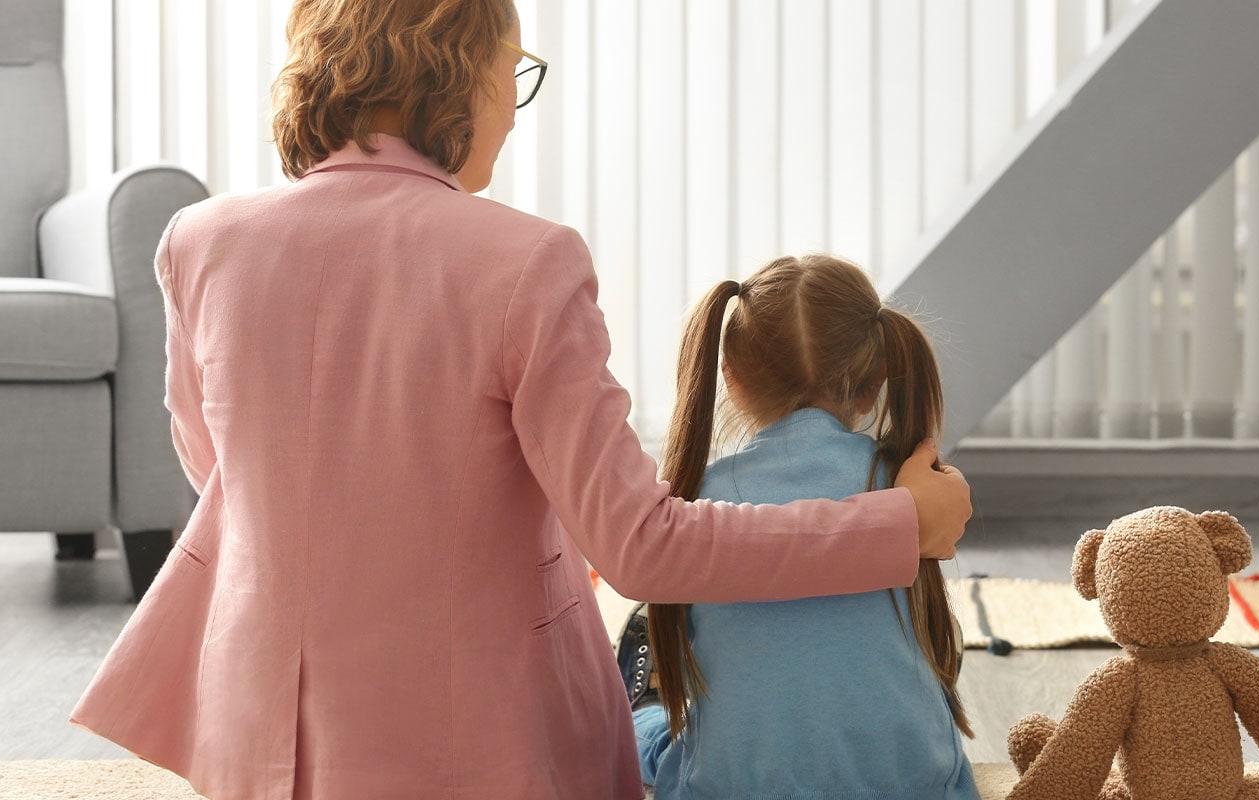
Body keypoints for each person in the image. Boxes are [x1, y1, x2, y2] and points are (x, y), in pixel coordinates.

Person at [68, 2, 971, 798]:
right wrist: (902, 523)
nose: (513, 104)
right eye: (515, 71)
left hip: (256, 736)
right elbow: (643, 548)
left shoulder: (202, 239)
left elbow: (219, 470)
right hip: (473, 750)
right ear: (459, 71)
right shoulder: (525, 261)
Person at [628, 255, 979, 799]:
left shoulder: (694, 504)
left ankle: (641, 705)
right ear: (876, 379)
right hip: (917, 785)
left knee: (649, 732)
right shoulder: (911, 492)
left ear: (731, 378)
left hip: (734, 787)